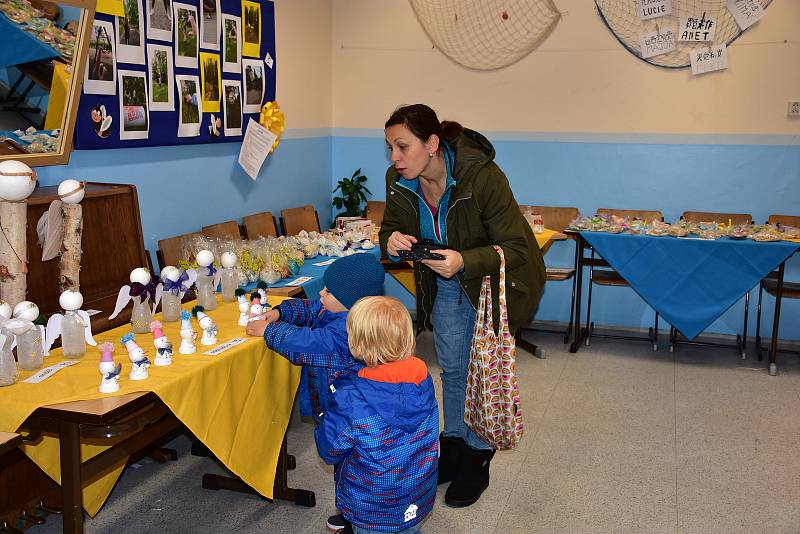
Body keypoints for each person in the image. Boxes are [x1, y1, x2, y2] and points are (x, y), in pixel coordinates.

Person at [379, 104, 545, 508]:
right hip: (446, 279)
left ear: (432, 144)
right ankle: (453, 449)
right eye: (390, 148)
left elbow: (518, 247)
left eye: (402, 147)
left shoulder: (482, 177)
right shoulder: (400, 181)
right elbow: (389, 228)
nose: (394, 158)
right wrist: (393, 241)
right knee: (453, 369)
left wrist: (465, 260)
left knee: (480, 372)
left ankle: (477, 459)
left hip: (493, 279)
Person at [245, 253, 385, 534]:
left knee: (353, 470)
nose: (321, 292)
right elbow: (311, 309)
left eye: (328, 290)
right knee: (345, 471)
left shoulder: (347, 330)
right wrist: (281, 312)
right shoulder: (338, 310)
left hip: (344, 413)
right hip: (335, 407)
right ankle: (348, 513)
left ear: (349, 300)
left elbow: (307, 343)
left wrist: (270, 329)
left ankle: (358, 521)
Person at [315, 296, 438, 534]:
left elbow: (329, 450)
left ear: (357, 344)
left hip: (372, 504)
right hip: (418, 490)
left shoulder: (351, 398)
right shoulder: (421, 378)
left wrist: (325, 416)